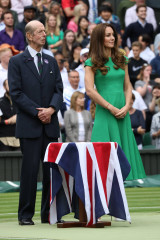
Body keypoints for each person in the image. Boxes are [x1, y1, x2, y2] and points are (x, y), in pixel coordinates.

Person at [8, 20, 63, 225]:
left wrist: (51, 109)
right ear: (29, 36)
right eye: (40, 31)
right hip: (30, 126)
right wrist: (37, 112)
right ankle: (25, 215)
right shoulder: (16, 62)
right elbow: (16, 93)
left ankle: (49, 214)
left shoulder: (51, 61)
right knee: (30, 173)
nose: (44, 33)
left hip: (50, 126)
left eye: (44, 30)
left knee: (51, 173)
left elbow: (59, 90)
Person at [84, 23, 146, 180]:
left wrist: (126, 106)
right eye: (108, 35)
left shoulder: (122, 59)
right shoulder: (91, 62)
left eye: (113, 34)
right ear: (99, 39)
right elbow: (90, 90)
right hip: (105, 111)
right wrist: (110, 107)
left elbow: (127, 86)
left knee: (122, 153)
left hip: (122, 111)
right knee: (102, 155)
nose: (112, 38)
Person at [0, 79, 20, 151]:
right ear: (4, 87)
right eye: (8, 84)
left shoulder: (21, 102)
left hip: (19, 139)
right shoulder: (0, 102)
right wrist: (8, 121)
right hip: (3, 140)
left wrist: (19, 117)